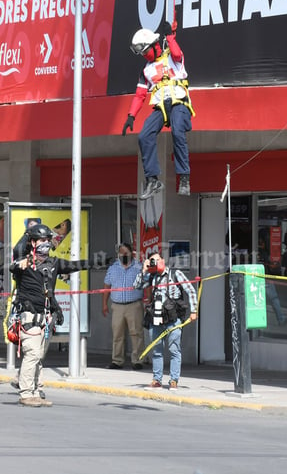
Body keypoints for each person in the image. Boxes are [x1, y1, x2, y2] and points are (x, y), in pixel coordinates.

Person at [9, 223, 89, 407]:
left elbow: (77, 265)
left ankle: (36, 391)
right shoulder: (25, 262)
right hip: (29, 318)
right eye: (42, 240)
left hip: (45, 319)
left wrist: (107, 260)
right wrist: (20, 258)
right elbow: (14, 264)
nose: (46, 243)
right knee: (32, 355)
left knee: (38, 357)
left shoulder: (52, 264)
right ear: (33, 242)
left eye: (48, 240)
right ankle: (26, 392)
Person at [122, 19, 194, 199]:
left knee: (178, 131)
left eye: (145, 51)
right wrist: (131, 116)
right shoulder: (145, 70)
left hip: (179, 103)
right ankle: (152, 180)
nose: (144, 56)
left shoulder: (173, 57)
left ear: (154, 45)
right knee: (144, 136)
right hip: (161, 107)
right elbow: (140, 95)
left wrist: (170, 36)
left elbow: (177, 53)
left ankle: (184, 178)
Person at [134, 251, 198, 389]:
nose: (156, 263)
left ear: (163, 260)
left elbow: (191, 290)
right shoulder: (152, 276)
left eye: (157, 260)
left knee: (174, 349)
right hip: (156, 317)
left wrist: (194, 311)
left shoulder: (176, 274)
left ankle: (174, 380)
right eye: (152, 261)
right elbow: (137, 286)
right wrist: (144, 270)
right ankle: (157, 380)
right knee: (156, 350)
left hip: (173, 318)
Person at [102, 243, 145, 370]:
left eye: (126, 253)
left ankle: (138, 360)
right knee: (117, 334)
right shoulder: (113, 268)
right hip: (117, 306)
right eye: (121, 253)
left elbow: (146, 284)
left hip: (134, 305)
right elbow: (106, 287)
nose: (123, 255)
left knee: (136, 333)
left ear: (131, 253)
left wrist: (148, 301)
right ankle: (117, 360)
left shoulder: (139, 267)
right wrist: (104, 304)